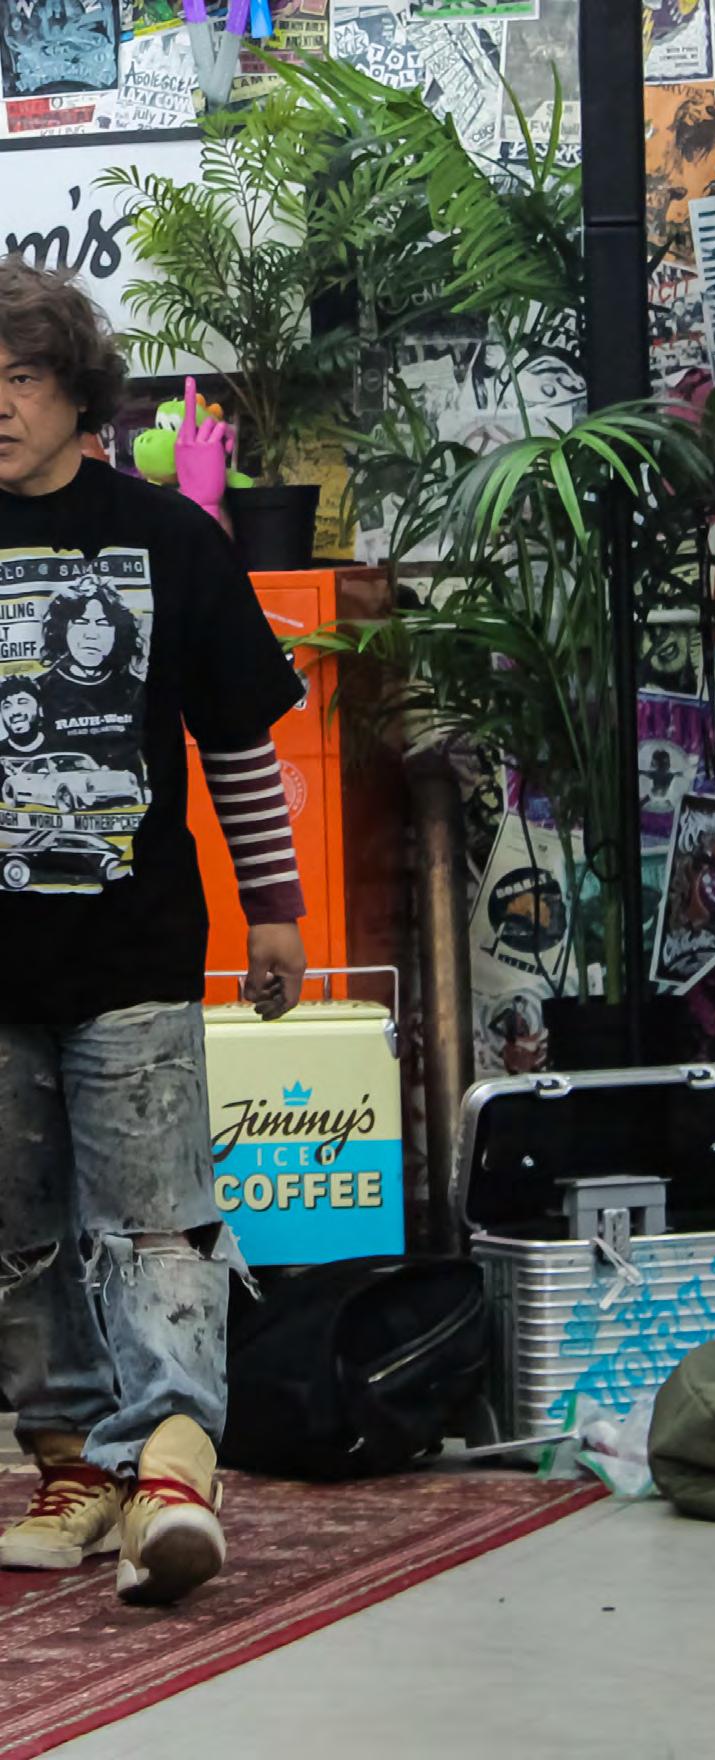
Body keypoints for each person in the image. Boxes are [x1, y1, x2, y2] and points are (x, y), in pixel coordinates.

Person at [0, 257, 308, 1605]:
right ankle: (72, 1466)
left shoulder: (172, 539)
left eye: (21, 378)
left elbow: (235, 740)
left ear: (79, 394)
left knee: (157, 1226)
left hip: (133, 949)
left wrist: (275, 909)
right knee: (16, 1239)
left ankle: (173, 1466)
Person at [0, 677, 45, 759]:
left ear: (40, 709)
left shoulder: (61, 746)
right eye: (7, 706)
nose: (15, 712)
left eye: (23, 702)